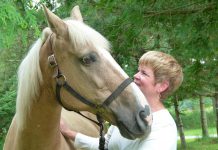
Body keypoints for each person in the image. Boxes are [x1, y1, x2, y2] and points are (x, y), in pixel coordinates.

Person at [60, 51, 183, 150]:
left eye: (144, 73)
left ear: (162, 86)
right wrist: (69, 132)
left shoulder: (163, 127)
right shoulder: (129, 113)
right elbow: (105, 145)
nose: (136, 75)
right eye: (138, 70)